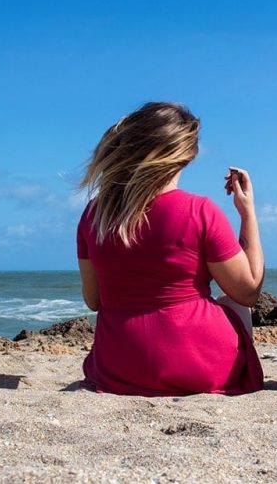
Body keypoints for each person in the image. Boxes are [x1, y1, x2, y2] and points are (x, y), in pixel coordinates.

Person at [76, 102, 265, 396]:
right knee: (235, 301)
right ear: (186, 157)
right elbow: (249, 289)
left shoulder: (93, 215)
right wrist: (247, 213)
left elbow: (93, 300)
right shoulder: (199, 210)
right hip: (199, 367)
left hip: (119, 368)